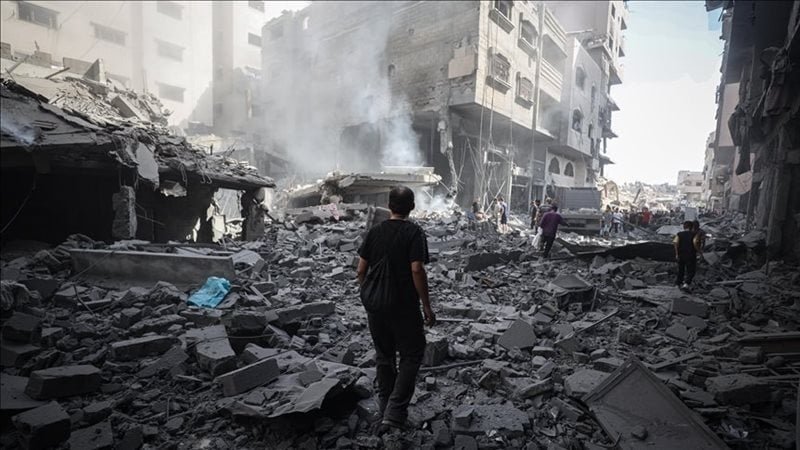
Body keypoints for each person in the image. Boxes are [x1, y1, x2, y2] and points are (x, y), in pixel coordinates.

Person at [356, 186, 436, 432]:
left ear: (389, 205)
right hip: (404, 307)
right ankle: (395, 412)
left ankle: (384, 408)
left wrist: (370, 294)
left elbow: (360, 270)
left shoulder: (375, 231)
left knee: (384, 356)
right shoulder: (414, 232)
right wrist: (426, 306)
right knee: (412, 355)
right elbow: (416, 269)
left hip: (377, 308)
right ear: (412, 207)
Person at [673, 221, 698, 289]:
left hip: (681, 254)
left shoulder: (679, 234)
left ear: (684, 227)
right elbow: (696, 244)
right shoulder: (694, 234)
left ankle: (678, 283)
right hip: (691, 255)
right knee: (691, 270)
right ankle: (686, 284)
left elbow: (675, 243)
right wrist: (699, 252)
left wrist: (677, 254)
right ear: (691, 227)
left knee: (681, 269)